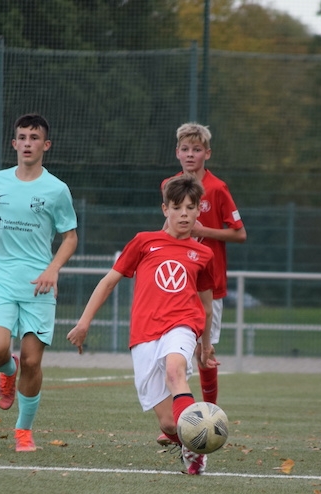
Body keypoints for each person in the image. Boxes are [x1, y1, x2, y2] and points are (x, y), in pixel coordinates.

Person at [66, 175, 218, 475]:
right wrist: (84, 323)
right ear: (165, 209)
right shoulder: (144, 242)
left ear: (198, 210)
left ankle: (195, 443)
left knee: (175, 370)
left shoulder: (203, 254)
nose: (184, 214)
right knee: (168, 423)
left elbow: (207, 306)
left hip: (182, 325)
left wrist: (206, 345)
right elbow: (108, 282)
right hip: (144, 334)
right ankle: (186, 441)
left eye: (190, 208)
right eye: (177, 207)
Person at [0, 113, 79, 453]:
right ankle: (8, 370)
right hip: (2, 280)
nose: (27, 143)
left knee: (33, 362)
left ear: (46, 145)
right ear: (14, 143)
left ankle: (23, 431)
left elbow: (70, 237)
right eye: (22, 137)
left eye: (34, 138)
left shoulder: (57, 189)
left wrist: (53, 269)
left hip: (38, 285)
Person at [158, 122, 245, 444]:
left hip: (208, 282)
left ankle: (208, 416)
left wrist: (203, 231)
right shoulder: (169, 185)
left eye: (196, 149)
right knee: (175, 351)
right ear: (177, 153)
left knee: (204, 350)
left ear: (207, 154)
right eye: (185, 149)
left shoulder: (217, 189)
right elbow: (167, 226)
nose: (190, 154)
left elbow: (239, 233)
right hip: (177, 279)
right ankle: (177, 422)